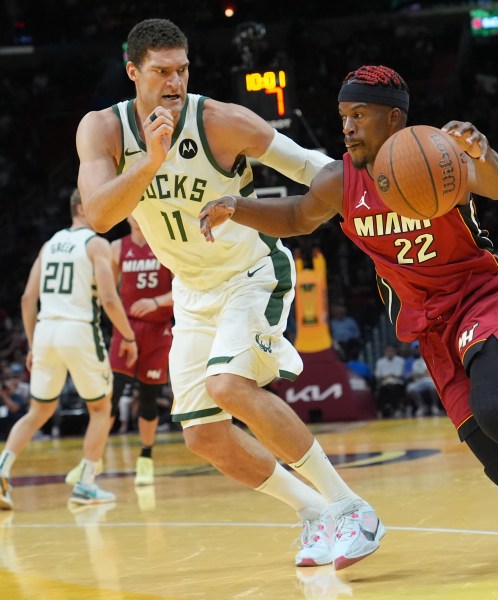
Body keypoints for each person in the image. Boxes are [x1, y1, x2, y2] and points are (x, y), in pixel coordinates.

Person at [198, 64, 498, 587]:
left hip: (482, 299)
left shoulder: (438, 154)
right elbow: (297, 216)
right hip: (430, 328)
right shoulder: (340, 179)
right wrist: (239, 207)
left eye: (359, 115)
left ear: (393, 118)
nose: (346, 126)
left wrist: (482, 151)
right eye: (343, 115)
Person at [75, 19, 385, 569]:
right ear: (133, 72)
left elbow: (313, 167)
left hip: (251, 270)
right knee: (205, 439)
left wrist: (382, 194)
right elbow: (99, 215)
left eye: (182, 69)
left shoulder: (220, 121)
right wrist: (150, 159)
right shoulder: (102, 130)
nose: (174, 81)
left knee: (229, 385)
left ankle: (351, 507)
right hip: (193, 291)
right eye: (161, 71)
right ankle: (314, 512)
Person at [0, 189, 138, 510]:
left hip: (46, 331)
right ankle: (86, 484)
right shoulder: (96, 244)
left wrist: (33, 345)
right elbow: (107, 298)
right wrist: (128, 337)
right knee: (102, 409)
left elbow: (26, 300)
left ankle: (2, 468)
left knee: (38, 410)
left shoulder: (48, 245)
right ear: (82, 208)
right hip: (78, 330)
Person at [66, 214, 174, 487]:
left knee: (148, 397)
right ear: (127, 215)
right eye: (134, 212)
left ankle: (145, 458)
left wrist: (156, 301)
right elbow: (107, 292)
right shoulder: (116, 248)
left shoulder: (164, 243)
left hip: (158, 328)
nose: (138, 217)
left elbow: (185, 287)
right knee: (109, 398)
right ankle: (92, 459)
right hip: (125, 329)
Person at [373, 344, 405, 418]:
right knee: (381, 391)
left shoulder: (400, 360)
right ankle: (381, 411)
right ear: (385, 352)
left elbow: (400, 374)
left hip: (397, 383)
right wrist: (390, 375)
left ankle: (397, 409)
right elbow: (378, 375)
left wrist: (389, 376)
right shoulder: (380, 362)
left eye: (391, 351)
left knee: (394, 389)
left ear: (395, 352)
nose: (389, 353)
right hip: (384, 384)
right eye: (387, 351)